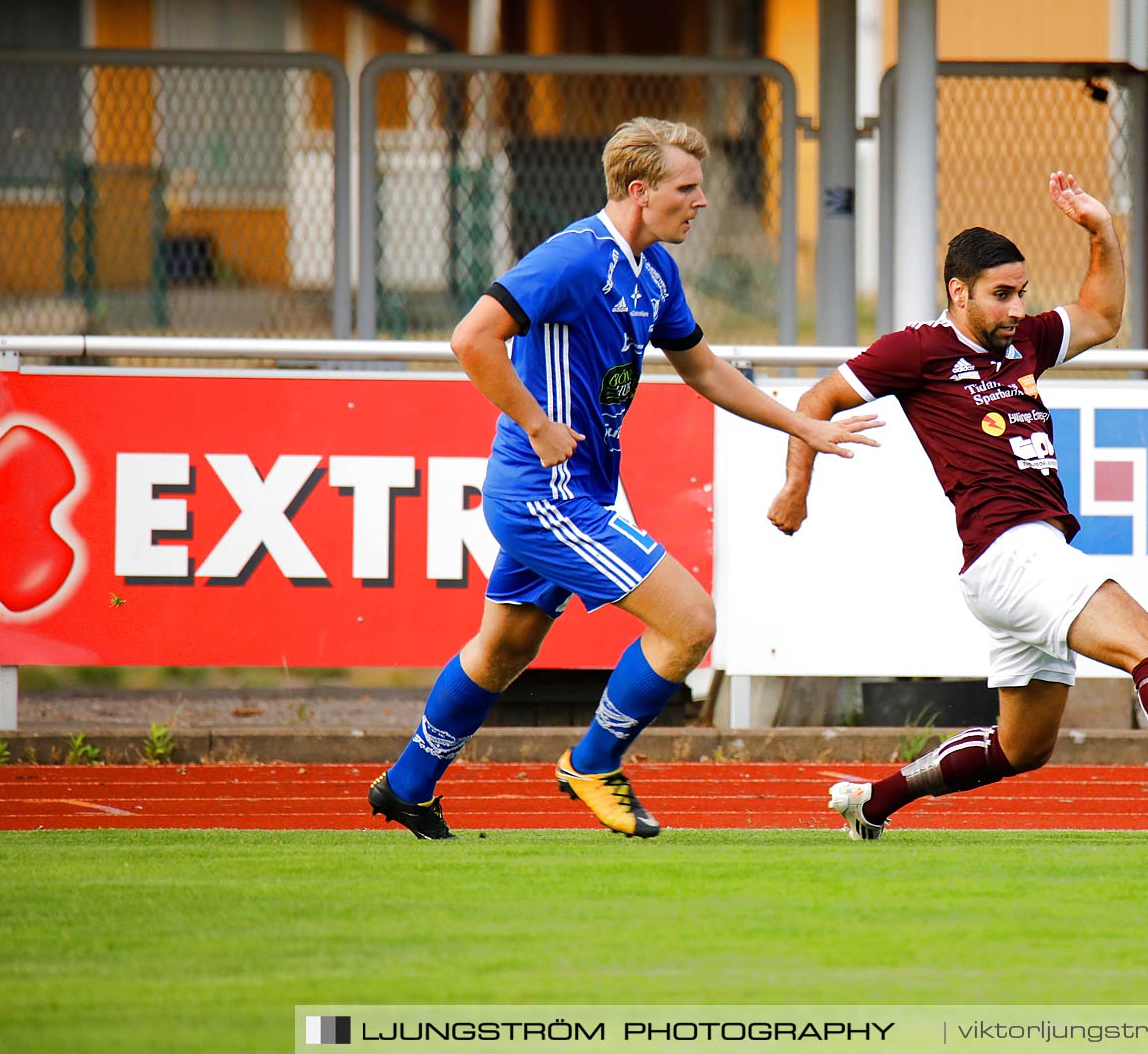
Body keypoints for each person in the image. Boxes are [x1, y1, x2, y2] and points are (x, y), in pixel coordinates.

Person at [768, 172, 1148, 846]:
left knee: (1021, 749)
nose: (1014, 308)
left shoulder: (1023, 341)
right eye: (1001, 295)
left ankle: (871, 802)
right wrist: (797, 488)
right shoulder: (919, 350)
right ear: (958, 291)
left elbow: (1101, 315)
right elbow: (815, 402)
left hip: (1018, 560)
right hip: (1010, 551)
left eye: (1021, 293)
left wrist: (1101, 231)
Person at [370, 117, 879, 840]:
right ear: (640, 192)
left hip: (577, 492)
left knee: (504, 647)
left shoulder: (656, 269)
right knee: (690, 622)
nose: (701, 201)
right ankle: (593, 764)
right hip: (544, 493)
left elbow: (702, 368)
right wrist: (537, 423)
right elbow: (471, 337)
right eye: (688, 188)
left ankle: (408, 784)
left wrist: (803, 425)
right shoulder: (574, 258)